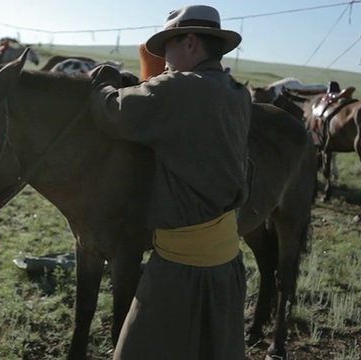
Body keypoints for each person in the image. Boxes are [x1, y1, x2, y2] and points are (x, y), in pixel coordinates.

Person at [88, 4, 251, 360]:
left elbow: (112, 112)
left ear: (191, 42)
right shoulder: (236, 92)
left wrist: (102, 79)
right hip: (226, 264)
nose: (162, 60)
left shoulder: (179, 88)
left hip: (181, 267)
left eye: (167, 49)